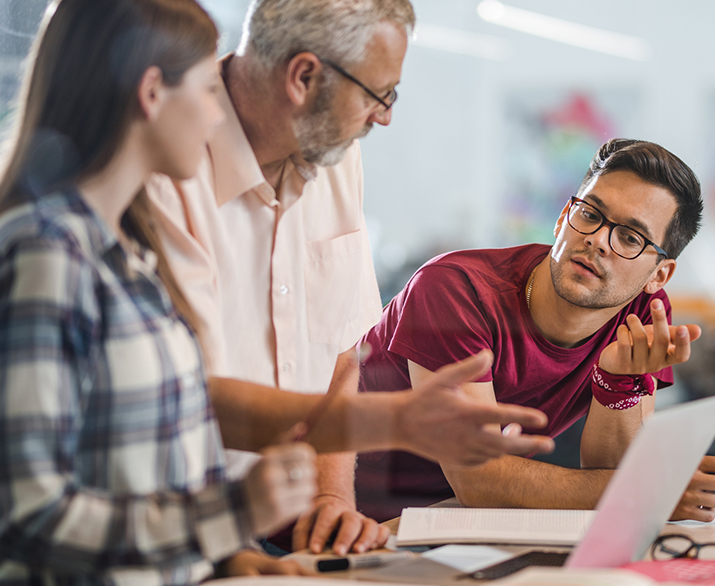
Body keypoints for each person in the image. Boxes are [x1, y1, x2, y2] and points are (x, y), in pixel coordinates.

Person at [0, 0, 552, 581]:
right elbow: (33, 513)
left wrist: (233, 557)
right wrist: (232, 519)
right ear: (153, 94)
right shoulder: (50, 253)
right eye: (206, 87)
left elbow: (154, 449)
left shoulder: (123, 257)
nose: (219, 114)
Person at [357, 139, 715, 521]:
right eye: (590, 214)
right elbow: (479, 479)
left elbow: (613, 470)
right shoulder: (455, 289)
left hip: (467, 525)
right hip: (352, 521)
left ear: (659, 275)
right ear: (564, 217)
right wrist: (649, 491)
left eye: (630, 238)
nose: (598, 240)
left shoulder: (642, 315)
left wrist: (617, 380)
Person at [146, 0, 418, 555]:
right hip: (187, 529)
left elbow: (344, 353)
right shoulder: (163, 162)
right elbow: (182, 401)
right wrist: (398, 420)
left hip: (287, 525)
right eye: (377, 95)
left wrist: (332, 501)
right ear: (303, 77)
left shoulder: (335, 152)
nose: (384, 117)